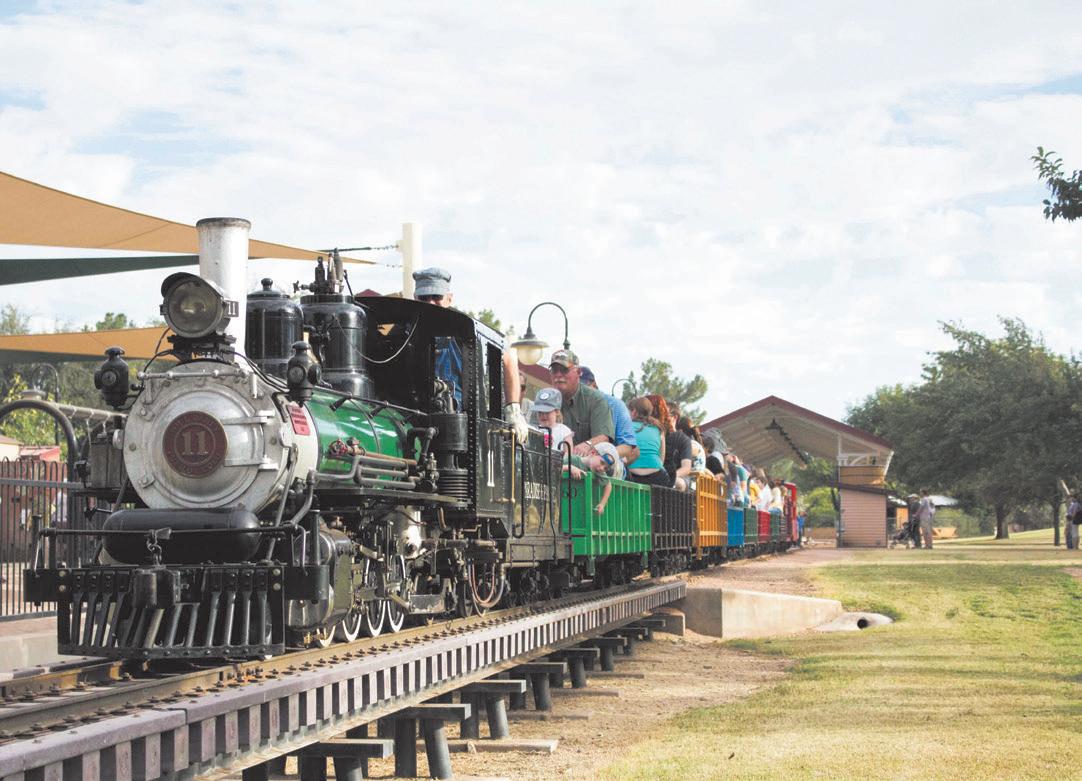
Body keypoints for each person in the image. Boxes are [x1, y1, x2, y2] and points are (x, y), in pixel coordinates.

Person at [413, 267, 529, 442]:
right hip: (415, 417)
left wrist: (513, 412)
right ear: (415, 298)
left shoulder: (463, 329)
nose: (430, 303)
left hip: (461, 426)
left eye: (436, 297)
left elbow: (509, 357)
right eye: (424, 298)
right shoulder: (405, 331)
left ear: (449, 299)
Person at [547, 349, 615, 456]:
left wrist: (588, 444)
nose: (558, 375)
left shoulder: (595, 399)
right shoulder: (546, 400)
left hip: (585, 461)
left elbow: (603, 437)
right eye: (554, 370)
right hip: (552, 459)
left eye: (564, 370)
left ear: (578, 372)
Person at [579, 366, 640, 466]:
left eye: (584, 388)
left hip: (606, 464)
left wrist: (604, 457)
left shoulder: (616, 405)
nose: (581, 392)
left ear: (594, 384)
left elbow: (628, 446)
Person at [649, 395, 692, 491]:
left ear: (675, 417)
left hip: (677, 476)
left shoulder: (683, 439)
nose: (662, 417)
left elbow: (686, 467)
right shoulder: (656, 433)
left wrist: (670, 477)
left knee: (678, 483)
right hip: (656, 474)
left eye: (666, 415)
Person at [625, 396, 670, 487]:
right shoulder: (659, 429)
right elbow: (661, 459)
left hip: (631, 476)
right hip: (657, 476)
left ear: (634, 412)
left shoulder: (626, 426)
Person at [532, 387, 573, 452]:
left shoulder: (564, 431)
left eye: (547, 412)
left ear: (557, 411)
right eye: (540, 412)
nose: (543, 415)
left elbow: (568, 453)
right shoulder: (535, 430)